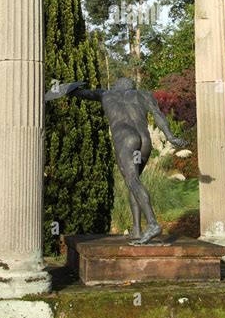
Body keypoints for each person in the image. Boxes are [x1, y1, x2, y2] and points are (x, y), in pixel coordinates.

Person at [46, 78, 187, 244]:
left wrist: (68, 88)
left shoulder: (106, 93)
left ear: (116, 86)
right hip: (144, 140)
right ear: (132, 87)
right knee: (134, 182)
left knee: (132, 180)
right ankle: (136, 229)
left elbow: (78, 93)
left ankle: (152, 223)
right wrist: (170, 136)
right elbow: (158, 115)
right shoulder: (143, 95)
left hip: (125, 137)